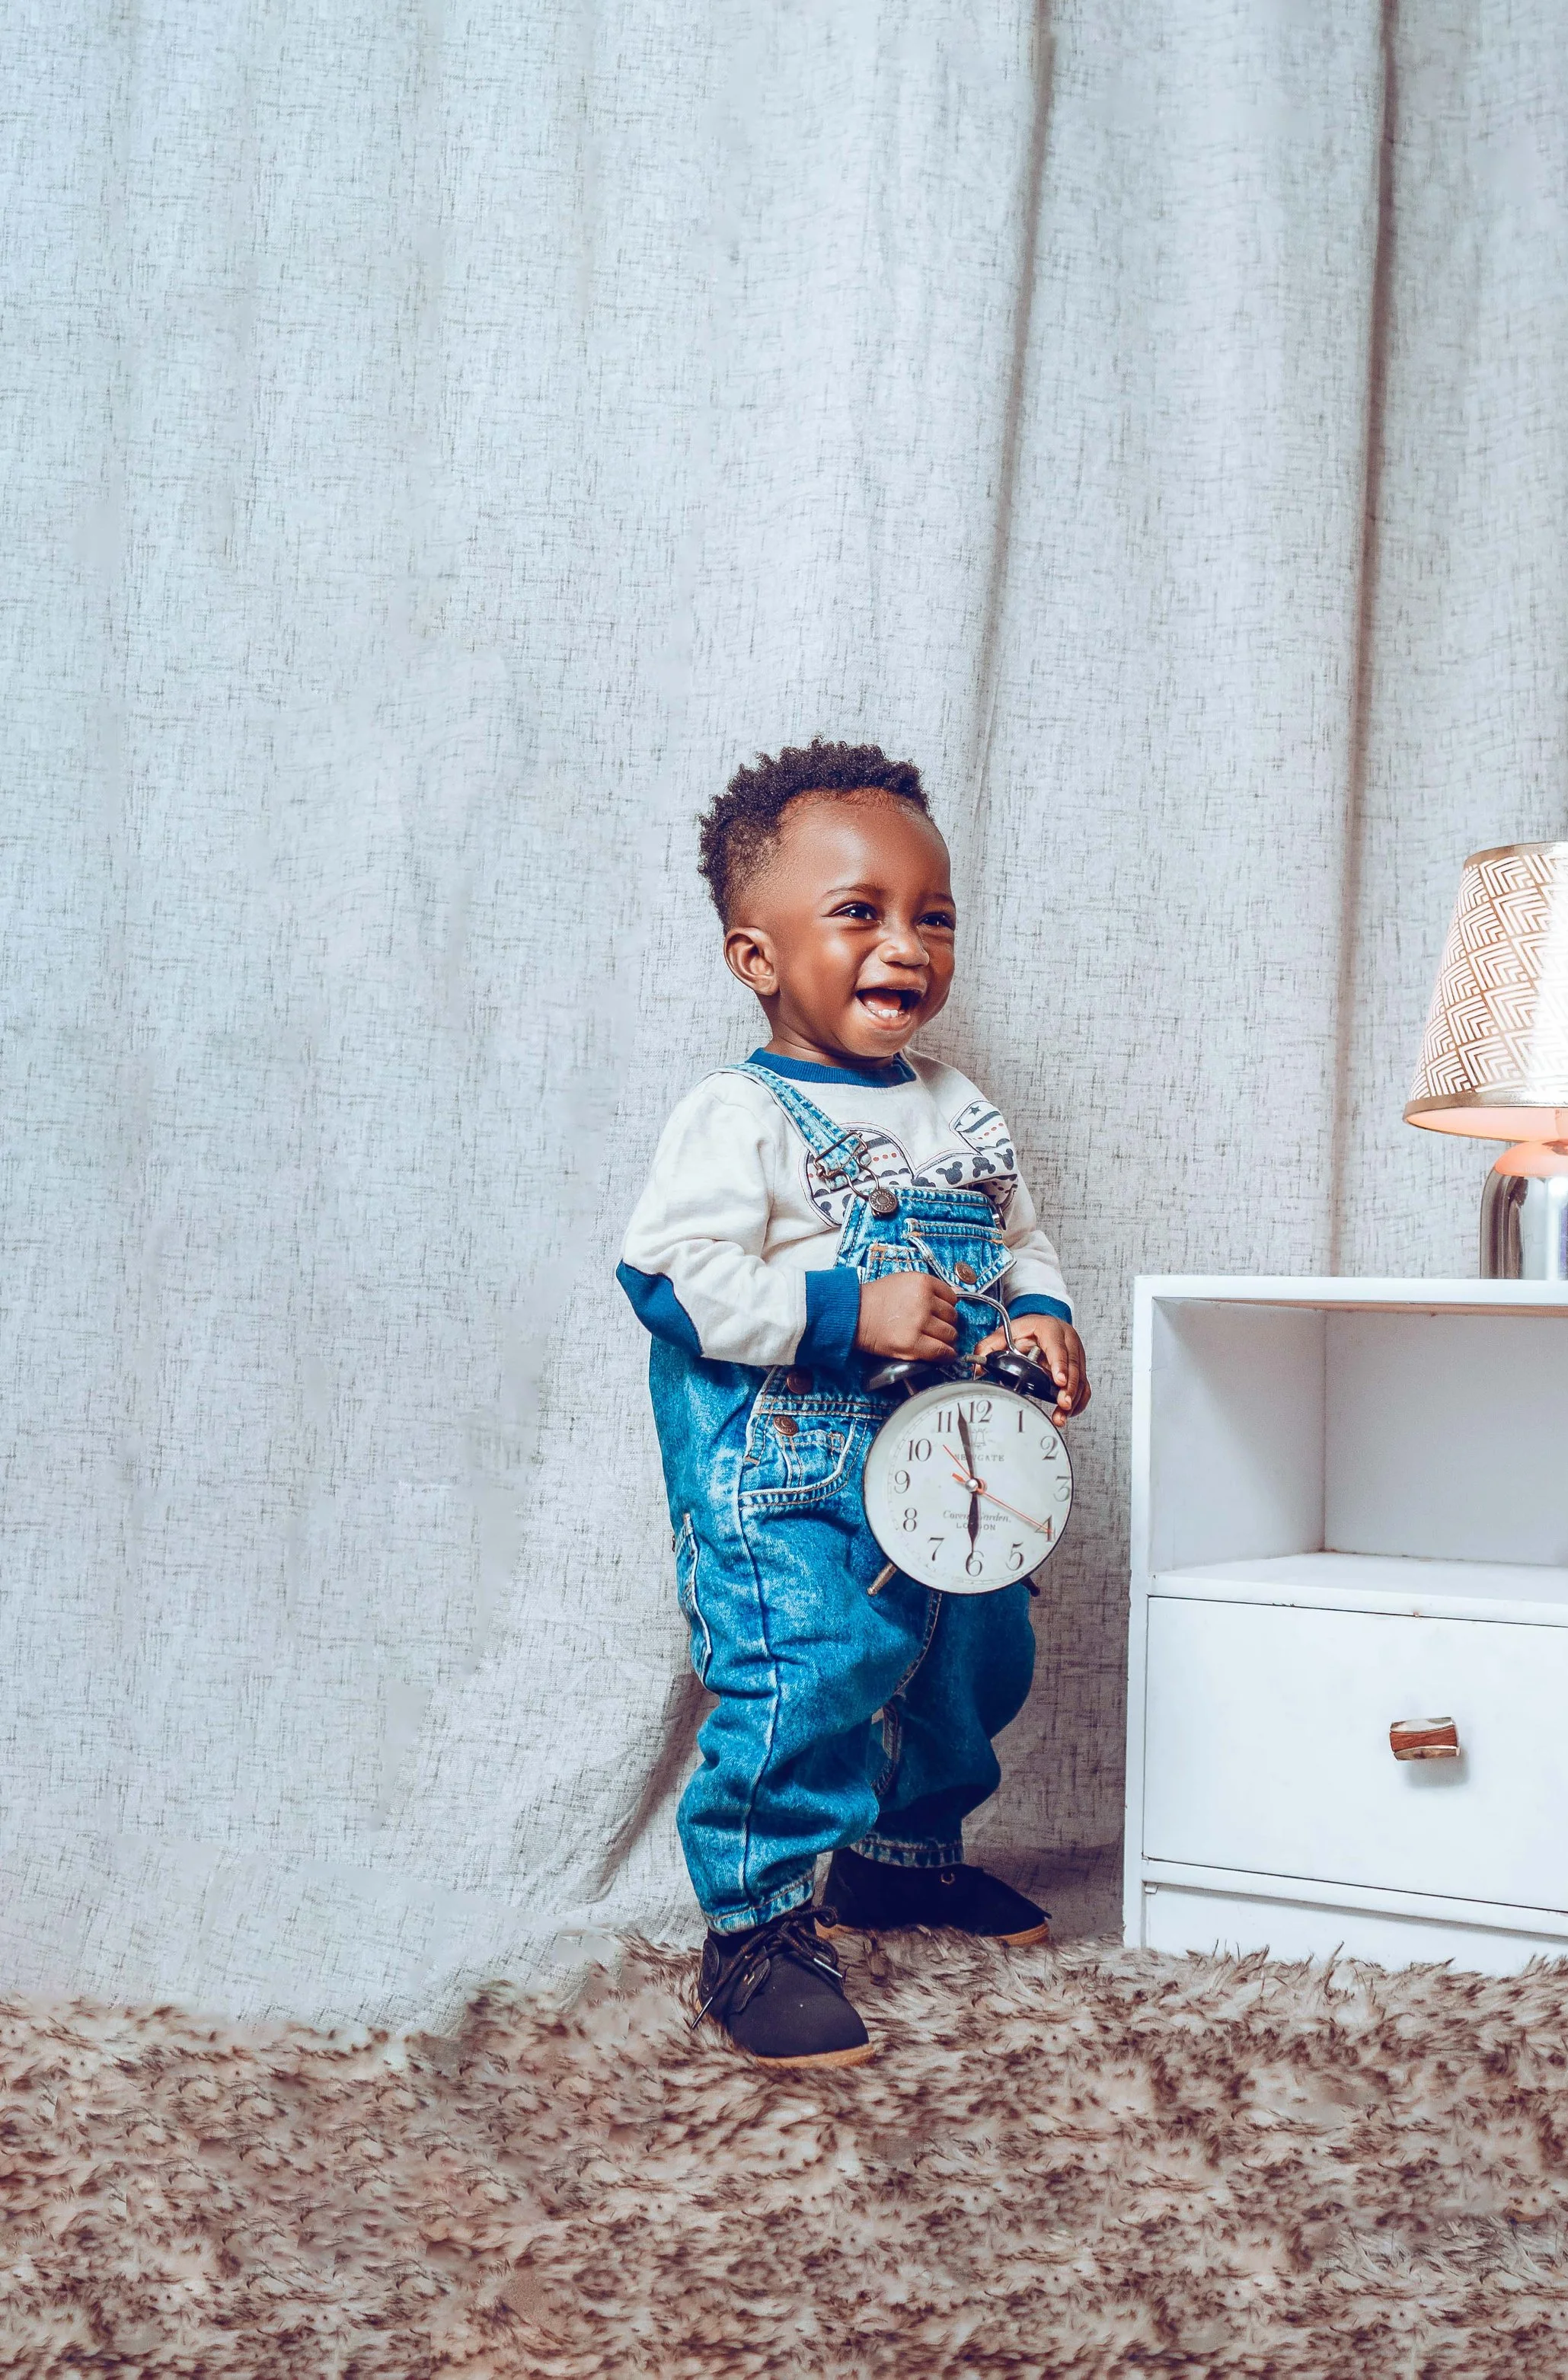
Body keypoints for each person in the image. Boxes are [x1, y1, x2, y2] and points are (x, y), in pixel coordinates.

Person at [618, 738, 1090, 2069]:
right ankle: (757, 1930)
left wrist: (1042, 1317)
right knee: (808, 1678)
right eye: (860, 913)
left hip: (953, 1466)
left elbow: (1016, 1241)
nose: (907, 944)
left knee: (967, 1658)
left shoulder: (960, 1108)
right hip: (791, 1483)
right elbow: (669, 1275)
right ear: (755, 958)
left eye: (931, 916)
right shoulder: (739, 1116)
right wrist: (842, 1311)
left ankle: (903, 1860)